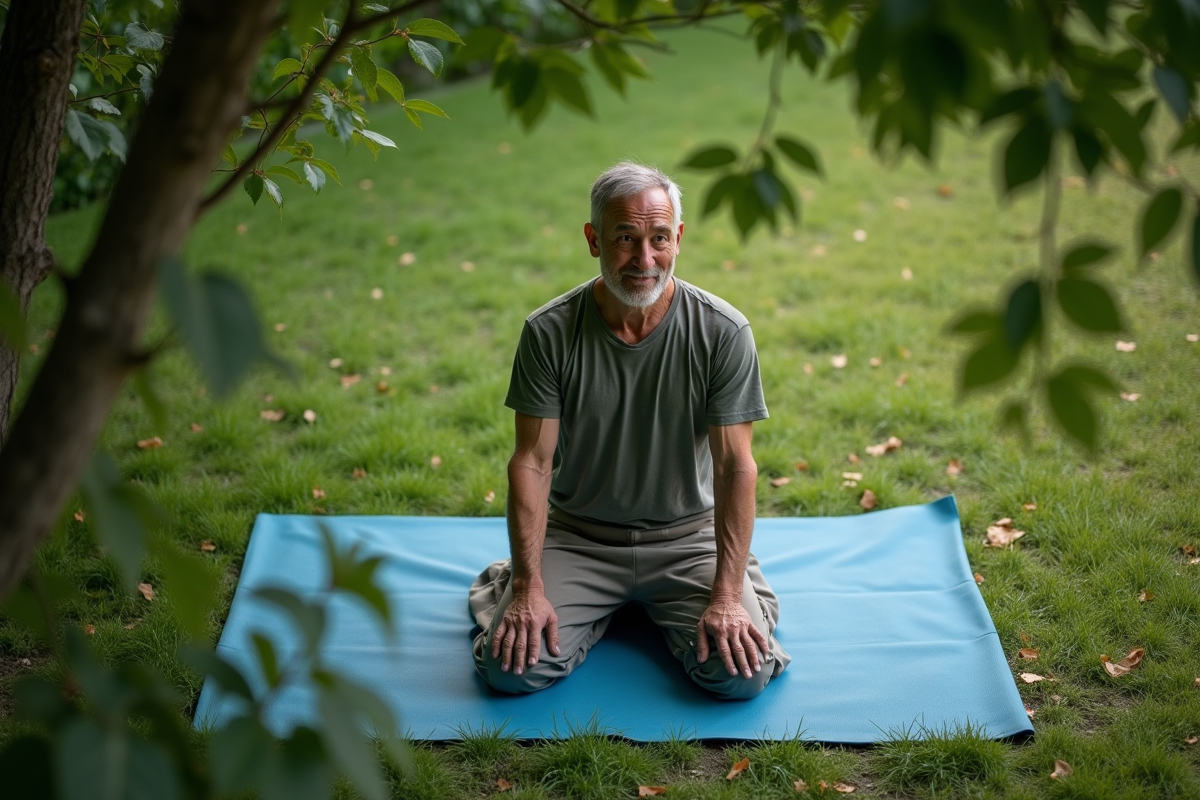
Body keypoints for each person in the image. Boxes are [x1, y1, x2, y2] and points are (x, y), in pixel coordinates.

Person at [468, 161, 790, 699]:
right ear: (594, 240)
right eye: (625, 238)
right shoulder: (549, 332)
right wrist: (529, 586)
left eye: (659, 238)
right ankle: (521, 581)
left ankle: (735, 584)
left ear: (679, 238)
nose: (645, 259)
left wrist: (727, 595)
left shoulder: (723, 331)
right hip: (579, 537)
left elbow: (737, 466)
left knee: (741, 677)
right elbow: (532, 462)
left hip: (689, 540)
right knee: (510, 671)